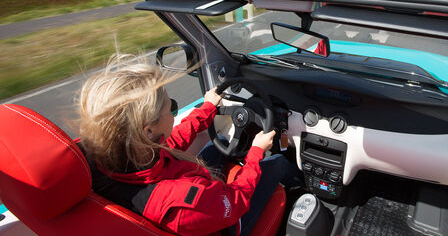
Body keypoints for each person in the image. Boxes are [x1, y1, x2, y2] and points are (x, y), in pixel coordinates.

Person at [77, 56, 303, 235]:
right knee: (278, 163)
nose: (173, 112)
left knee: (219, 145)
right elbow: (236, 201)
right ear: (148, 131)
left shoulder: (112, 160)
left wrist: (207, 108)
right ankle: (303, 190)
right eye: (171, 107)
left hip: (196, 200)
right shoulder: (184, 205)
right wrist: (255, 153)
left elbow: (169, 144)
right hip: (226, 223)